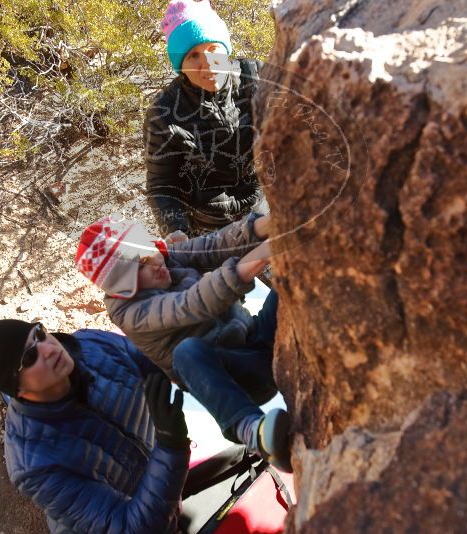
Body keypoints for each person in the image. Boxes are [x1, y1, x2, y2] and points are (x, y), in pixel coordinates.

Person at [75, 212, 292, 472]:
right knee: (187, 352)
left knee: (289, 281)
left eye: (151, 252)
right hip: (238, 380)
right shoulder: (130, 312)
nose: (155, 263)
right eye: (140, 267)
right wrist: (263, 253)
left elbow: (215, 245)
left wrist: (271, 221)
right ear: (124, 285)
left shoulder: (167, 259)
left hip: (257, 338)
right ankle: (254, 432)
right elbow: (193, 303)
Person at [0, 320, 190, 533]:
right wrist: (171, 445)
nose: (50, 349)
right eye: (29, 357)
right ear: (16, 389)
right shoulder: (34, 465)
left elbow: (160, 360)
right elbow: (131, 527)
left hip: (162, 475)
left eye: (40, 333)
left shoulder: (94, 345)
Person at [145, 0, 268, 238]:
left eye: (213, 49)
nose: (208, 65)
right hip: (211, 227)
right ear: (180, 66)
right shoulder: (163, 113)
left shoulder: (256, 75)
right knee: (229, 276)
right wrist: (175, 229)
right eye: (193, 56)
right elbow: (161, 184)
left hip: (264, 205)